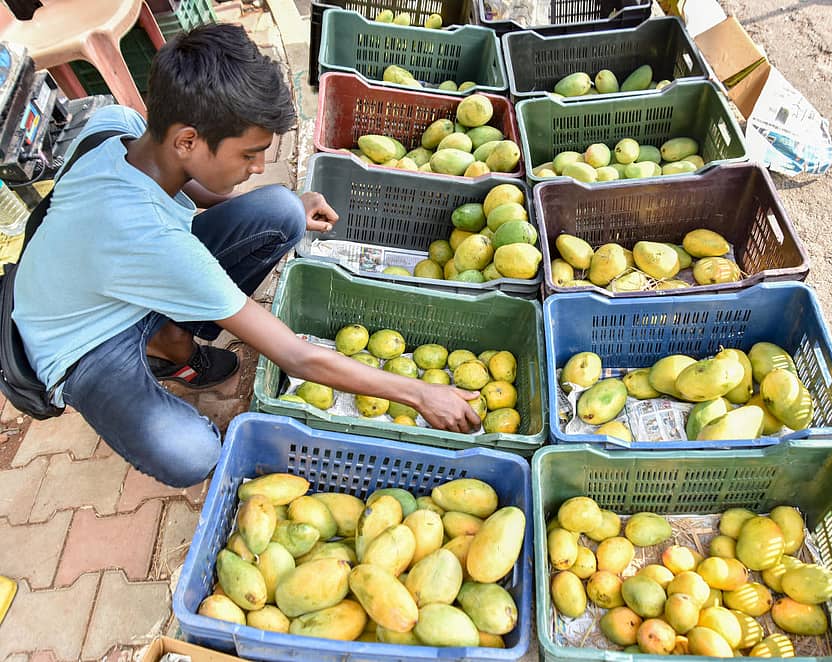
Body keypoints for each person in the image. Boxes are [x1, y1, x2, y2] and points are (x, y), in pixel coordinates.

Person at [12, 24, 481, 487]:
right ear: (188, 141)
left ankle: (170, 343)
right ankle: (165, 351)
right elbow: (297, 357)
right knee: (192, 453)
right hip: (77, 341)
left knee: (281, 209)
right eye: (249, 155)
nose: (258, 167)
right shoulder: (151, 241)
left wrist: (288, 200)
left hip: (100, 277)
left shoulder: (116, 125)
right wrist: (420, 393)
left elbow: (180, 184)